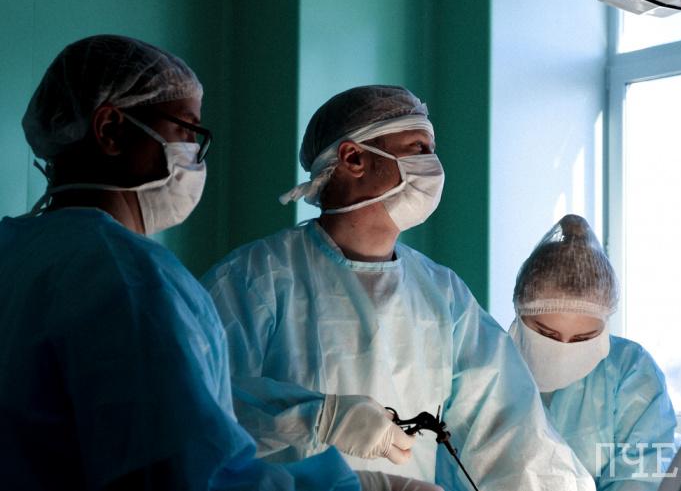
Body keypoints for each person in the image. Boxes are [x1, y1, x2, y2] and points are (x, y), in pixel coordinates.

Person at [0, 34, 358, 491]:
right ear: (110, 129)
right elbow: (184, 477)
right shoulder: (128, 278)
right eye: (186, 130)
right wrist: (339, 484)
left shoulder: (16, 248)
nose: (195, 152)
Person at [203, 85, 595, 491]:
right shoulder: (255, 278)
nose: (434, 166)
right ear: (353, 158)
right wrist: (315, 417)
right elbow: (198, 407)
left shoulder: (442, 294)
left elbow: (511, 431)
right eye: (418, 148)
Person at [508, 214, 677, 490]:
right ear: (519, 309)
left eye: (583, 339)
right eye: (547, 335)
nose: (562, 351)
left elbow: (639, 478)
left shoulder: (631, 371)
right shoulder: (488, 368)